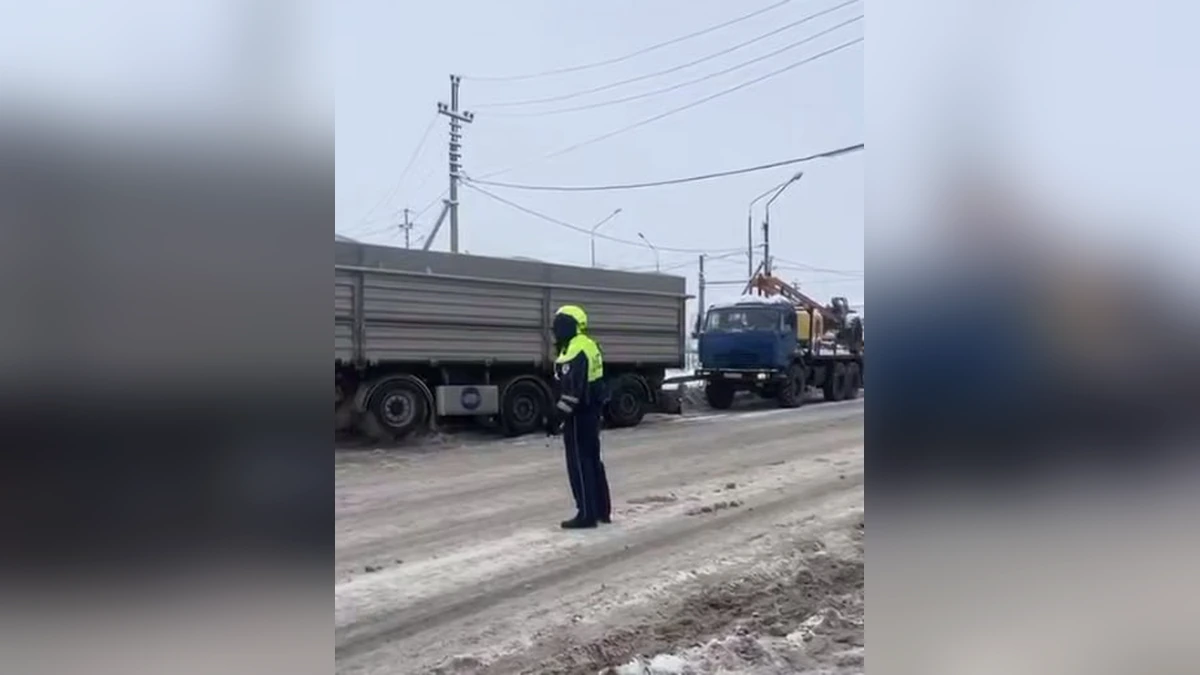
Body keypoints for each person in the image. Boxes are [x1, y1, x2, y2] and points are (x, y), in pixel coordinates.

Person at [544, 304, 612, 529]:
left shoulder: (574, 349)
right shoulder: (590, 345)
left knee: (579, 463)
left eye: (559, 324)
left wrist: (557, 417)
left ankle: (586, 514)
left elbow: (572, 391)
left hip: (578, 415)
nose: (554, 329)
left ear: (569, 325)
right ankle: (602, 510)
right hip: (592, 411)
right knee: (593, 460)